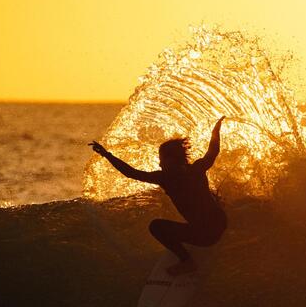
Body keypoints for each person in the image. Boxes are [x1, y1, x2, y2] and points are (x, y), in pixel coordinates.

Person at [89, 116, 227, 276]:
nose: (160, 164)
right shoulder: (198, 168)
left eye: (162, 160)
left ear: (171, 159)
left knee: (156, 227)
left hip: (205, 236)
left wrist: (106, 154)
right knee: (213, 198)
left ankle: (186, 261)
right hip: (221, 223)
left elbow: (131, 173)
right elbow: (213, 151)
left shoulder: (165, 178)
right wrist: (216, 131)